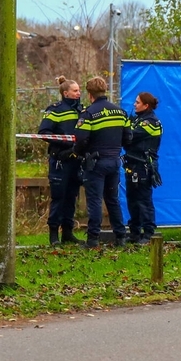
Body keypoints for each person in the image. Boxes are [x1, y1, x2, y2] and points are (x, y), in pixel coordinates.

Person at [73, 76, 128, 248]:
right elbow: (128, 137)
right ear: (105, 91)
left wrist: (78, 153)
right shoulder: (120, 112)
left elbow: (80, 140)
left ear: (90, 94)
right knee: (113, 199)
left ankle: (93, 240)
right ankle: (121, 237)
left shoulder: (88, 114)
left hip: (96, 163)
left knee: (95, 201)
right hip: (114, 161)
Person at [38, 76, 84, 245]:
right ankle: (53, 235)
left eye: (79, 90)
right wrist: (66, 143)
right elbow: (43, 133)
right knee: (59, 197)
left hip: (76, 160)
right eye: (75, 90)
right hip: (60, 160)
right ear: (66, 93)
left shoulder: (81, 110)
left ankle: (68, 233)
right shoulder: (55, 110)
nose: (79, 93)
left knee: (72, 197)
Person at [123, 91, 163, 245]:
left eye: (137, 102)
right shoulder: (138, 119)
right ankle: (134, 232)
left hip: (143, 165)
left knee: (144, 200)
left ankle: (148, 233)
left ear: (146, 105)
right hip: (132, 164)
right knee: (132, 200)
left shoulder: (151, 122)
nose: (134, 104)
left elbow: (129, 137)